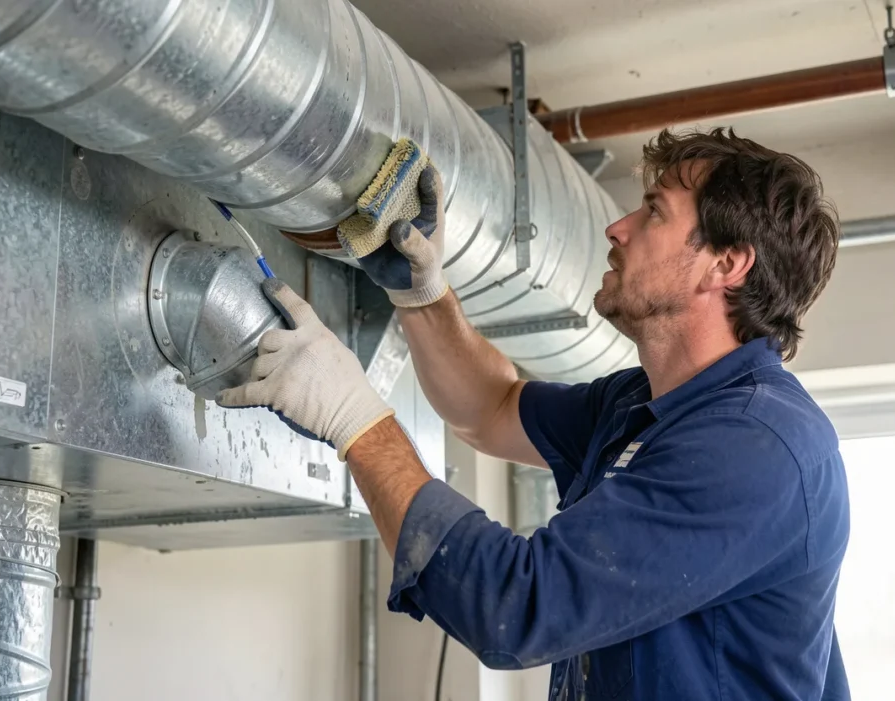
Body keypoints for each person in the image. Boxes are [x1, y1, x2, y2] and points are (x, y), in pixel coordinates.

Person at [218, 127, 850, 701]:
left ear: (726, 264)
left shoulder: (755, 445)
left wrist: (354, 418)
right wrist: (421, 294)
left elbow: (519, 605)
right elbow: (490, 407)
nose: (617, 228)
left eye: (654, 211)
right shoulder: (640, 404)